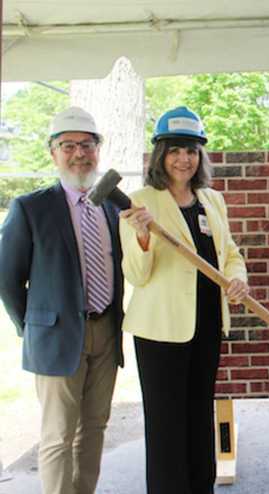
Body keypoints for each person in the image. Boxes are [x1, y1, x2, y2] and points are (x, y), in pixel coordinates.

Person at [119, 106, 249, 493]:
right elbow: (137, 274)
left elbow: (230, 255)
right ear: (161, 154)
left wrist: (238, 280)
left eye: (191, 150)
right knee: (165, 424)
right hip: (161, 331)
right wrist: (143, 238)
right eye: (175, 150)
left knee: (197, 416)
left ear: (200, 156)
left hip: (207, 323)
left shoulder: (212, 200)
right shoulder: (141, 202)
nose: (183, 159)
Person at [0, 107, 124, 494]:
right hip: (56, 338)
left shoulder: (113, 206)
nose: (79, 153)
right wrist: (33, 327)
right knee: (57, 435)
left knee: (95, 428)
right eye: (67, 145)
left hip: (106, 331)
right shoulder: (31, 207)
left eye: (87, 144)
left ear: (98, 150)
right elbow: (7, 278)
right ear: (52, 153)